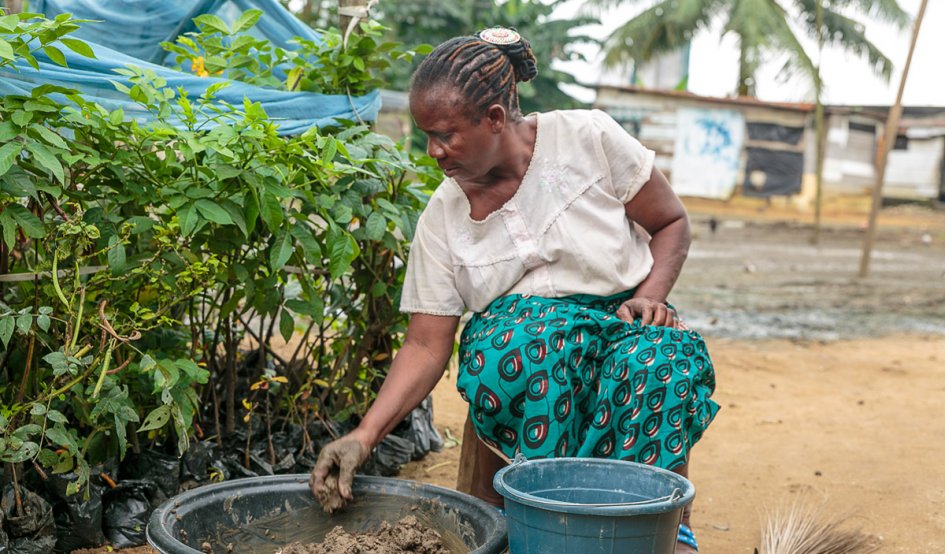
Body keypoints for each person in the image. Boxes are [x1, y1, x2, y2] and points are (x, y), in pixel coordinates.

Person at [309, 26, 719, 554]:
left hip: (624, 318)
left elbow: (671, 223)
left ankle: (655, 523)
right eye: (426, 135)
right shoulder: (444, 216)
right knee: (529, 350)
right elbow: (425, 343)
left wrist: (651, 296)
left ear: (496, 119)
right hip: (524, 345)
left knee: (661, 362)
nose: (433, 151)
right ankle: (538, 518)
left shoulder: (587, 138)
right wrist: (363, 436)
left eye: (445, 134)